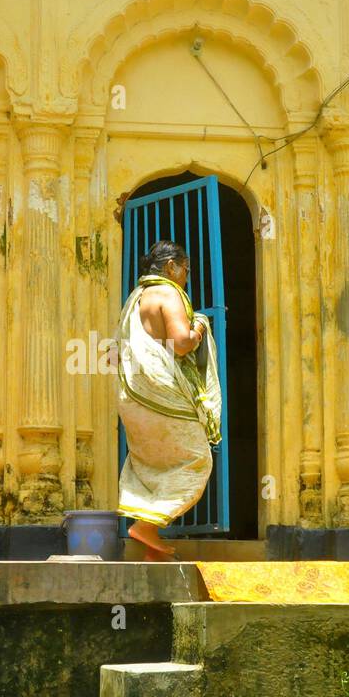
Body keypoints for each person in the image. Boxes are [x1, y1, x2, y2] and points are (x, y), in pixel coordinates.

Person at [114, 240, 222, 560]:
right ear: (172, 266)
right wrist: (201, 324)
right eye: (186, 270)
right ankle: (145, 527)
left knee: (153, 461)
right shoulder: (168, 293)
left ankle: (152, 544)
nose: (186, 277)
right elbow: (182, 344)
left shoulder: (136, 299)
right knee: (196, 460)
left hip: (132, 395)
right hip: (161, 394)